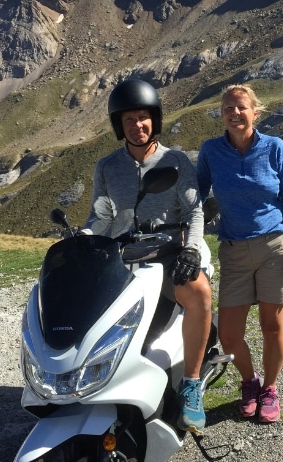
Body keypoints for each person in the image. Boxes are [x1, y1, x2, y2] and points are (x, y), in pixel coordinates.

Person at [84, 78, 212, 434]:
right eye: (128, 120)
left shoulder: (176, 162)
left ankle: (191, 383)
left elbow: (194, 213)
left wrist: (190, 249)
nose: (137, 126)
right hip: (123, 257)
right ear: (118, 126)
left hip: (168, 253)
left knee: (199, 292)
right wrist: (84, 238)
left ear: (154, 120)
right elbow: (101, 215)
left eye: (143, 118)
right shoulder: (107, 168)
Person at [196, 84, 283, 423]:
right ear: (222, 115)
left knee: (272, 325)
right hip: (234, 250)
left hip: (275, 245)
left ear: (256, 113)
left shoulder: (274, 147)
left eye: (241, 107)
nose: (234, 112)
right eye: (228, 108)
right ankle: (249, 381)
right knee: (228, 335)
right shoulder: (211, 151)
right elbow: (195, 197)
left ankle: (269, 388)